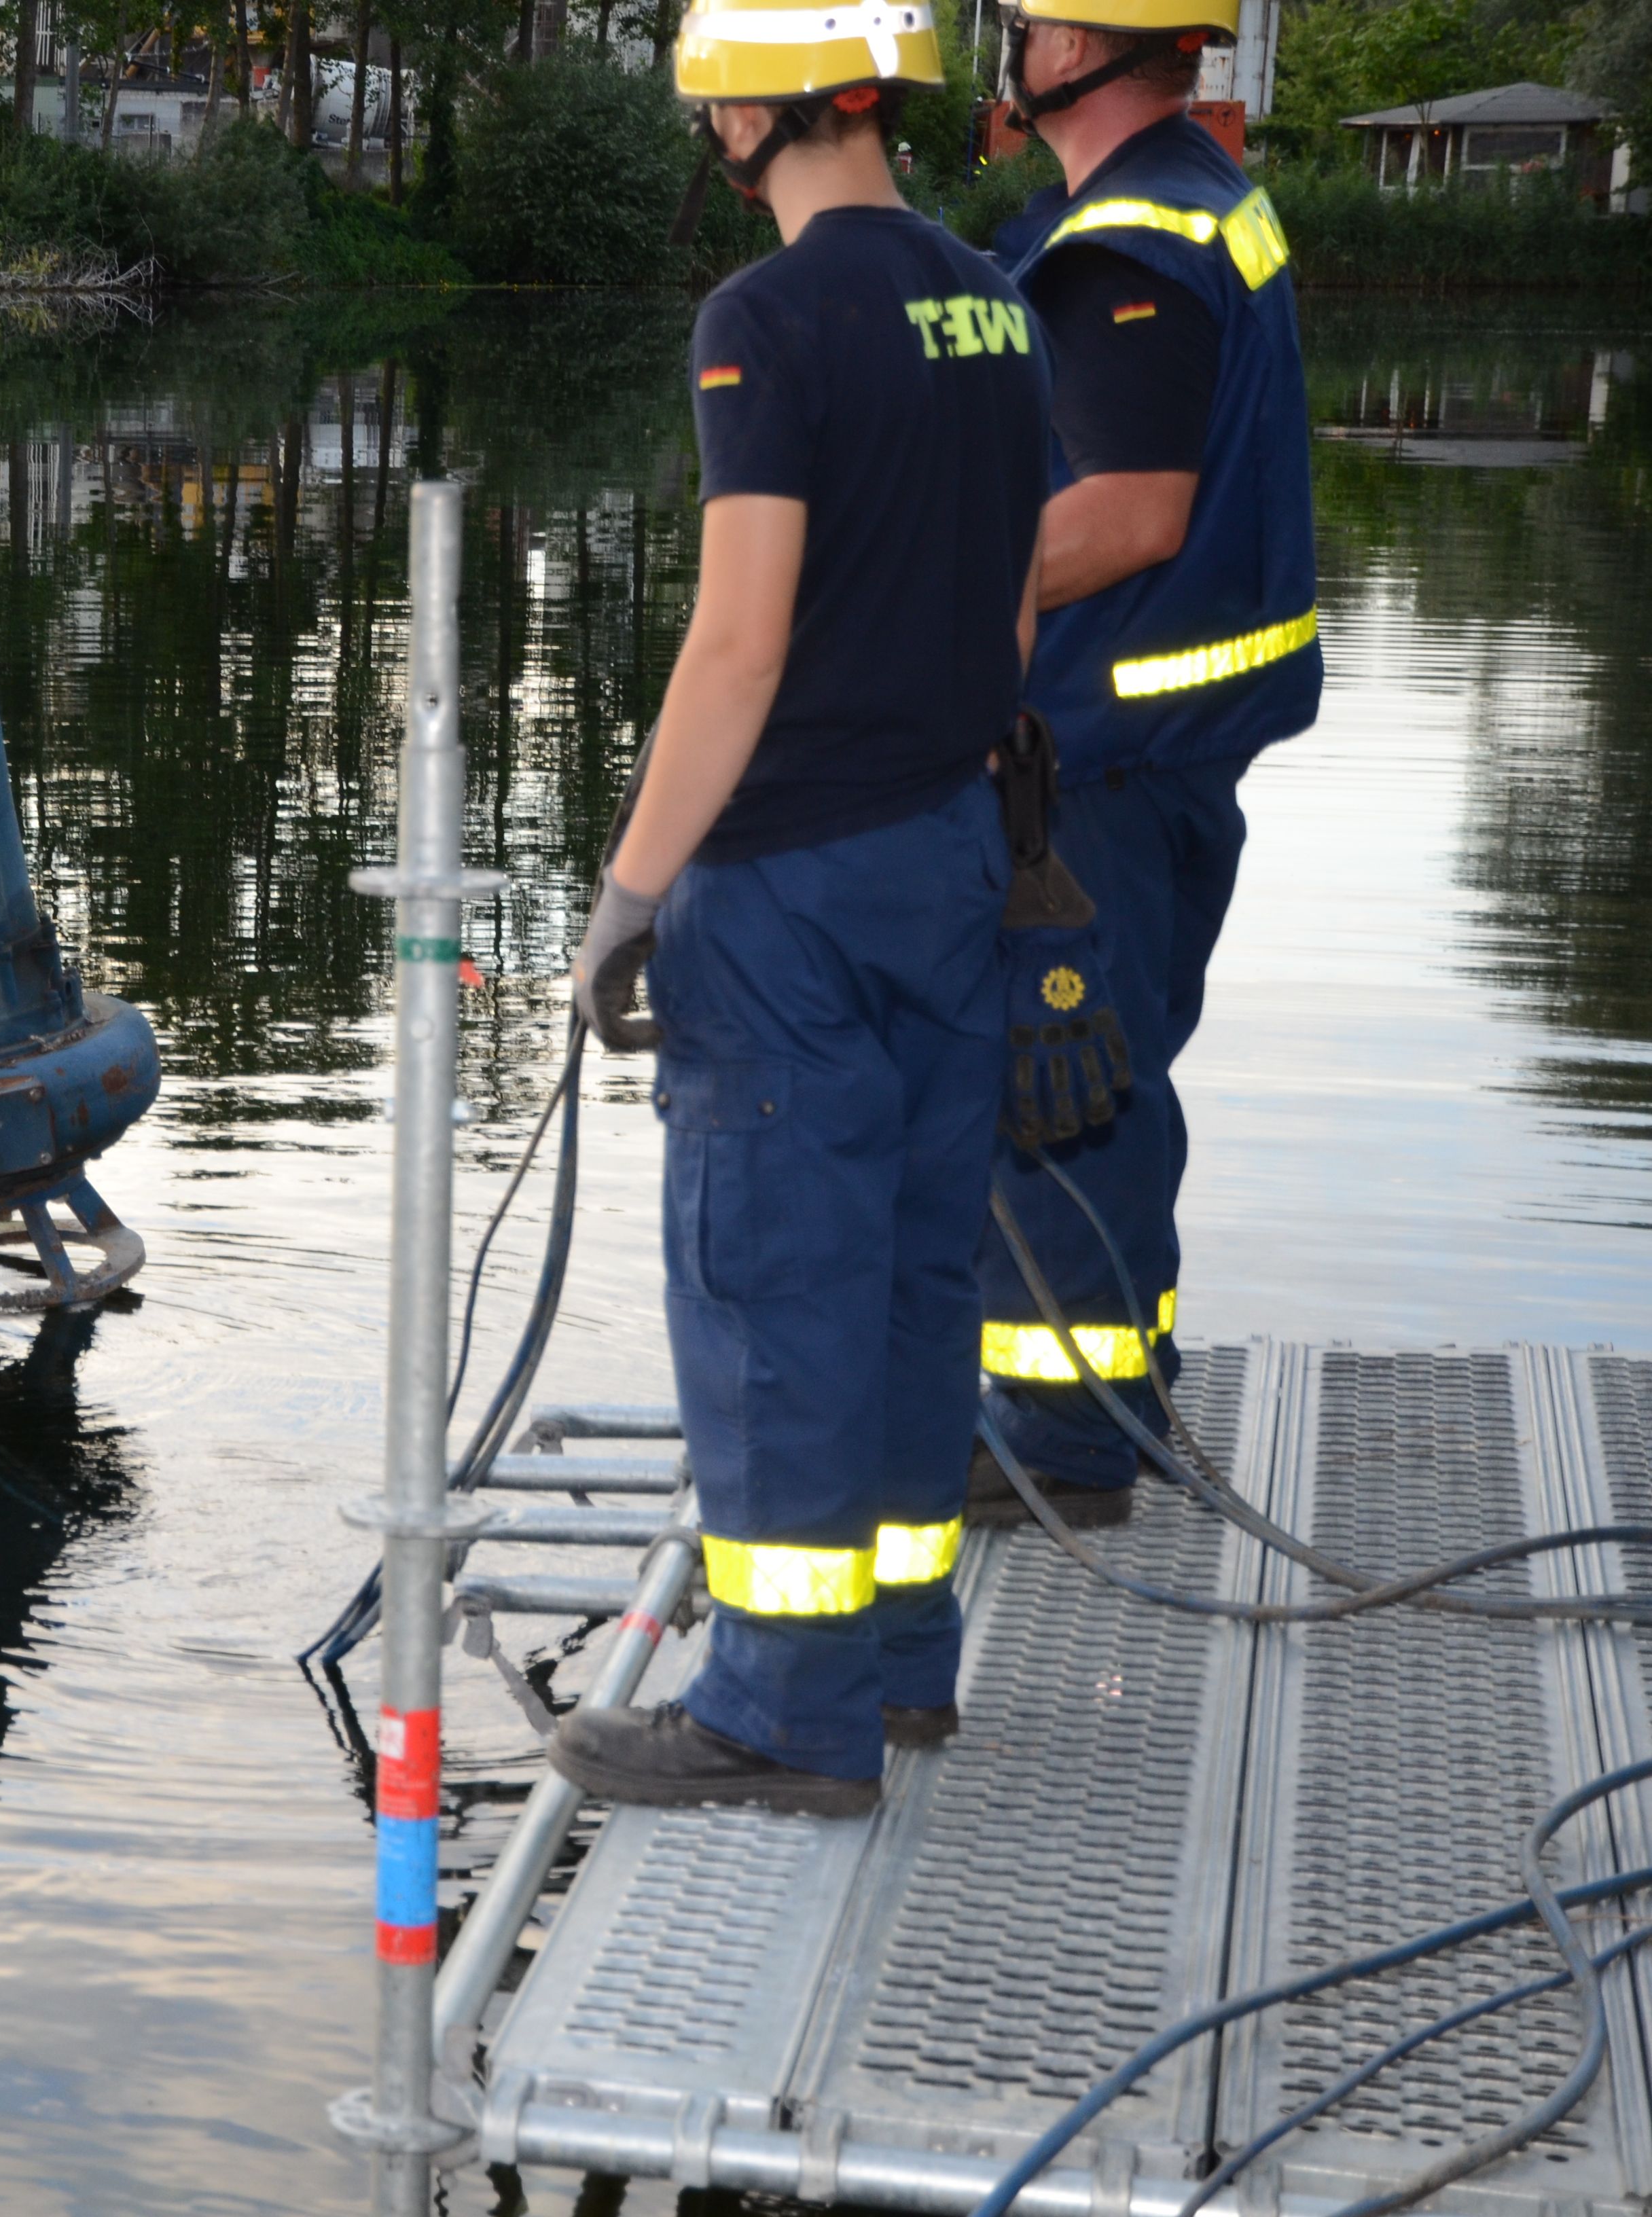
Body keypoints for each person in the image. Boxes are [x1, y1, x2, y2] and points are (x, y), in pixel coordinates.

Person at [545, 0, 1052, 1818]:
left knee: (773, 1297)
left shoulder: (763, 321)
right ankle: (904, 1672)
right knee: (919, 1273)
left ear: (743, 117)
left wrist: (628, 894)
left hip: (794, 892)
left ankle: (774, 1713)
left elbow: (739, 641)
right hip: (949, 855)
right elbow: (1009, 616)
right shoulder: (994, 296)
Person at [968, 0, 1320, 1525]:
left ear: (1080, 51)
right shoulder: (1166, 200)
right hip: (1151, 747)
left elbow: (1128, 511)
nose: (1009, 39)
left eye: (1030, 20)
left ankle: (1059, 1448)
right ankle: (1113, 1392)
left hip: (1102, 755)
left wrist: (920, 599)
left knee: (1060, 1093)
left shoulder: (1136, 242)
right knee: (1106, 1077)